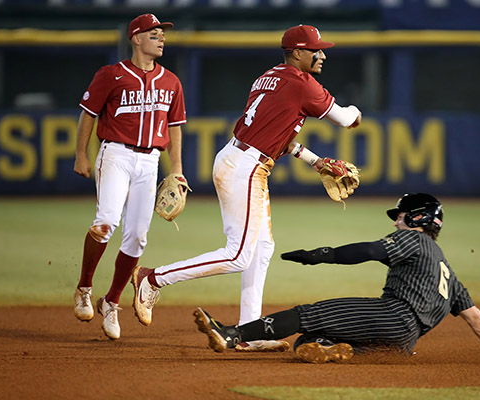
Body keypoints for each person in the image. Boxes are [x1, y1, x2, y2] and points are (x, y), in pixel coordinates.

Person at [131, 24, 362, 352]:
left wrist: (313, 159)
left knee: (262, 249)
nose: (322, 55)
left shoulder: (269, 77)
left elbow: (276, 132)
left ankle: (251, 333)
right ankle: (152, 278)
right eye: (316, 50)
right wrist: (356, 112)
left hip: (239, 158)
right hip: (246, 168)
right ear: (297, 52)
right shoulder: (302, 83)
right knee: (238, 255)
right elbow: (345, 119)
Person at [193, 193, 480, 364]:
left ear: (417, 217)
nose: (396, 222)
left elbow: (370, 250)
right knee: (306, 343)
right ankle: (336, 350)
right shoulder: (449, 274)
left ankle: (232, 335)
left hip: (393, 316)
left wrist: (322, 255)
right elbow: (476, 318)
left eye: (399, 216)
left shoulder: (415, 239)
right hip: (403, 343)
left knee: (310, 314)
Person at [72, 13, 186, 340]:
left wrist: (176, 170)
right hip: (116, 154)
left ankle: (111, 302)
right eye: (154, 34)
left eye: (162, 34)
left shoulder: (171, 81)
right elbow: (88, 115)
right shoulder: (111, 75)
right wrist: (82, 154)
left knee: (137, 236)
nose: (161, 38)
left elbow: (175, 127)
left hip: (150, 161)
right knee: (106, 222)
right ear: (135, 38)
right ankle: (84, 288)